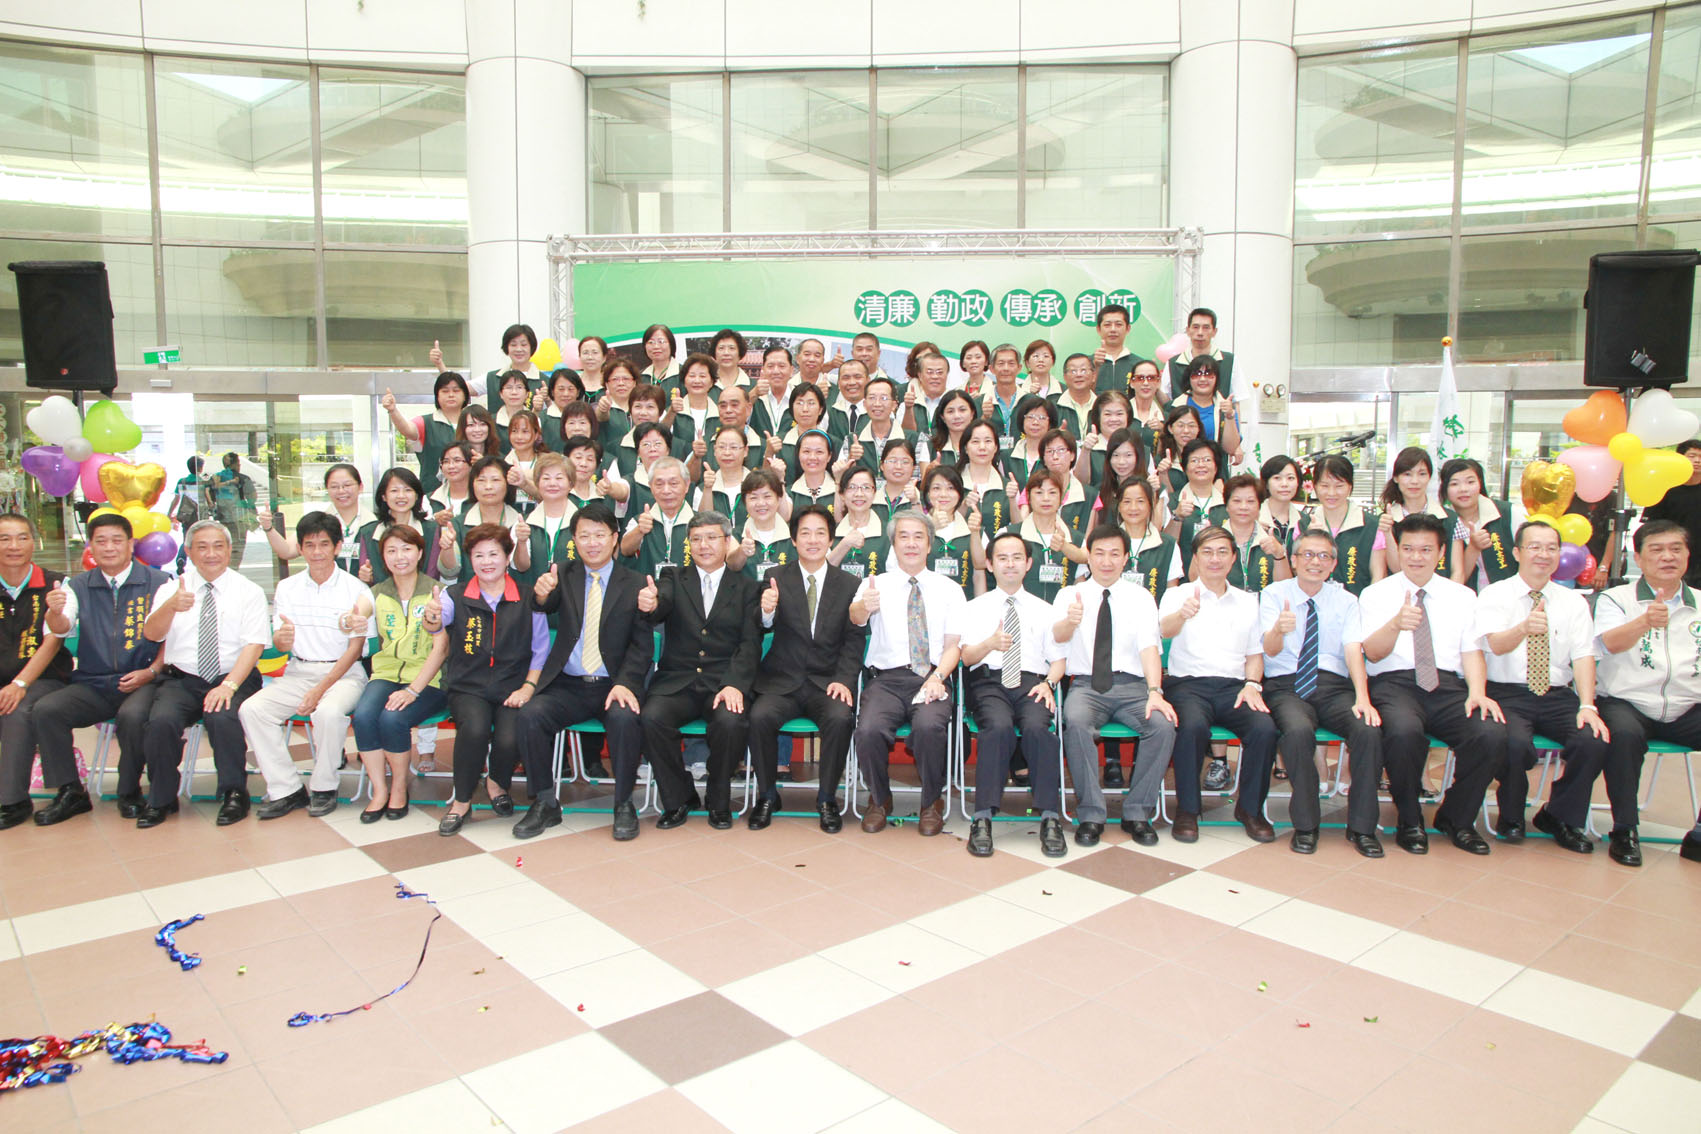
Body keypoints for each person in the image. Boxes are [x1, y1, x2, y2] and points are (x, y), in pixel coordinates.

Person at [1347, 513, 1507, 855]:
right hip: (1395, 684)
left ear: (1441, 552)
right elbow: (1371, 654)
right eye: (1408, 549)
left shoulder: (1462, 596)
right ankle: (1409, 818)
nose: (1416, 557)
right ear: (1398, 550)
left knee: (1490, 733)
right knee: (1404, 733)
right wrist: (1395, 624)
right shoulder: (1375, 595)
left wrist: (1478, 693)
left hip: (1447, 686)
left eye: (1425, 549)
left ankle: (1457, 818)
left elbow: (1471, 651)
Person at [1473, 520, 1612, 853]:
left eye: (1552, 548)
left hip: (1556, 694)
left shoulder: (1573, 602)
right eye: (1535, 547)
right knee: (1513, 742)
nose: (1544, 554)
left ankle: (1559, 815)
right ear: (1518, 552)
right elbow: (1493, 646)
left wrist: (1588, 705)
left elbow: (1583, 656)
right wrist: (1522, 628)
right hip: (1506, 691)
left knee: (1593, 739)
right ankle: (1511, 814)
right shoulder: (1496, 594)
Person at [515, 503, 652, 840]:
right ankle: (546, 801)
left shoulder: (634, 582)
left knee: (624, 718)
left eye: (600, 535)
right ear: (574, 540)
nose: (592, 543)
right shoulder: (564, 573)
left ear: (615, 538)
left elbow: (642, 646)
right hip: (568, 684)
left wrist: (626, 684)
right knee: (531, 715)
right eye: (584, 536)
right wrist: (540, 593)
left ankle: (623, 803)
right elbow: (543, 604)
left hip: (613, 683)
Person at [33, 513, 169, 823]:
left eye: (117, 540)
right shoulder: (76, 585)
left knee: (132, 716)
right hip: (93, 683)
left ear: (131, 544)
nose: (109, 548)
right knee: (47, 710)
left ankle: (130, 790)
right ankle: (71, 792)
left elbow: (171, 637)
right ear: (90, 546)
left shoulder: (159, 582)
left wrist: (152, 671)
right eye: (101, 541)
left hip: (143, 679)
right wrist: (54, 612)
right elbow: (60, 627)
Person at [1259, 530, 1386, 857]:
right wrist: (1278, 630)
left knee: (1368, 729)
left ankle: (1362, 827)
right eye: (1308, 555)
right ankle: (1306, 824)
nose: (1315, 562)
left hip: (1332, 685)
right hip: (1287, 685)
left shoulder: (1346, 600)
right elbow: (1269, 652)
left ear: (1333, 564)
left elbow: (1352, 649)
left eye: (1324, 556)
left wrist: (1363, 697)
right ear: (1296, 559)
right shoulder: (1274, 594)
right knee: (1298, 732)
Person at [241, 513, 373, 821]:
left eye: (324, 544)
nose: (316, 552)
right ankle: (286, 788)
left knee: (327, 712)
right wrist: (282, 639)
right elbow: (282, 642)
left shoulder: (357, 590)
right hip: (298, 672)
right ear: (299, 548)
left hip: (344, 676)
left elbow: (355, 651)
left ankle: (324, 786)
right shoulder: (287, 588)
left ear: (338, 547)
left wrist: (320, 689)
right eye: (309, 545)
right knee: (253, 710)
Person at [636, 511, 762, 831]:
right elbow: (661, 603)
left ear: (726, 542)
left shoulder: (747, 587)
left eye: (711, 538)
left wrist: (735, 684)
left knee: (731, 721)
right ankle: (679, 796)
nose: (704, 545)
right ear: (688, 544)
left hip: (722, 682)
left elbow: (750, 644)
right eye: (696, 539)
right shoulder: (673, 578)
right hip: (678, 680)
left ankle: (718, 799)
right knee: (651, 718)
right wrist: (651, 604)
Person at [1051, 524, 1177, 846]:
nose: (1106, 561)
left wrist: (1155, 692)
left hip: (1134, 686)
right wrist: (1071, 621)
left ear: (1125, 559)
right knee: (1075, 722)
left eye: (1114, 554)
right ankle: (1091, 814)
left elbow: (1150, 647)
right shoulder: (1068, 595)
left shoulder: (1141, 597)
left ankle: (1137, 812)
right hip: (1086, 686)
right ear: (1088, 557)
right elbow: (1056, 640)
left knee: (1162, 726)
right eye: (1099, 554)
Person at [137, 520, 267, 828]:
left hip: (233, 675)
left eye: (218, 546)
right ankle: (162, 796)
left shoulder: (248, 591)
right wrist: (170, 607)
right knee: (160, 721)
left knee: (222, 717)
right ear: (189, 552)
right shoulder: (172, 588)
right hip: (183, 678)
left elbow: (254, 645)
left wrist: (229, 685)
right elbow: (152, 635)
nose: (211, 554)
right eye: (202, 547)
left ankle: (234, 793)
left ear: (229, 550)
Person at [422, 523, 547, 835]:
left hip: (513, 686)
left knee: (509, 736)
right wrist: (431, 616)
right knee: (475, 729)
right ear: (470, 560)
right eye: (479, 555)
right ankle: (461, 801)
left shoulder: (528, 597)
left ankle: (496, 783)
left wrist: (528, 687)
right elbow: (435, 625)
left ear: (507, 558)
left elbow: (541, 649)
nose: (487, 561)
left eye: (494, 553)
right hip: (469, 686)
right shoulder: (455, 595)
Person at [749, 506, 868, 832]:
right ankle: (767, 795)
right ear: (793, 539)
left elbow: (855, 640)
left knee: (840, 717)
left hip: (826, 681)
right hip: (782, 680)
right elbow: (760, 625)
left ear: (831, 539)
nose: (813, 540)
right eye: (805, 533)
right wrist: (767, 611)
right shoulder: (775, 576)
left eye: (820, 533)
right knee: (759, 717)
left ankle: (827, 798)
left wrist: (844, 680)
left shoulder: (848, 584)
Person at [848, 511, 966, 835]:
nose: (911, 543)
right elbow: (855, 619)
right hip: (886, 680)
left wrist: (938, 677)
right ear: (893, 544)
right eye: (903, 536)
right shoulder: (874, 585)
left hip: (932, 675)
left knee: (930, 727)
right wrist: (863, 606)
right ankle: (879, 798)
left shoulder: (949, 589)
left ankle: (931, 802)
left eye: (918, 537)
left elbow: (954, 645)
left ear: (930, 544)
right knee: (869, 730)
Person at [1159, 526, 1279, 843]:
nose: (1215, 559)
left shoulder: (1248, 601)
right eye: (1207, 552)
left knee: (1264, 729)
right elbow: (1162, 633)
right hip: (1187, 685)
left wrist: (1253, 683)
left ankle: (1250, 809)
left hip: (1235, 687)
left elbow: (1255, 653)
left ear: (1234, 558)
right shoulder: (1176, 595)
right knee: (1192, 727)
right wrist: (1182, 615)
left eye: (1222, 552)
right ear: (1195, 558)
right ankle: (1187, 809)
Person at [953, 531, 1068, 857]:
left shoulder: (1045, 609)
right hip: (989, 683)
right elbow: (966, 658)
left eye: (1017, 557)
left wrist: (1049, 683)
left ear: (1028, 563)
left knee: (1037, 729)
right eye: (1002, 558)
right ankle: (983, 817)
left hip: (1032, 683)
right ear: (989, 564)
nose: (1010, 564)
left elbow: (1058, 660)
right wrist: (990, 643)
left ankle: (1049, 817)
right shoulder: (975, 607)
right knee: (998, 728)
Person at [1595, 520, 1700, 867]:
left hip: (1687, 704)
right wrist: (1643, 622)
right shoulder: (1616, 598)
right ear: (1638, 557)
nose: (1667, 557)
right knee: (1622, 736)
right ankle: (1624, 829)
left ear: (1688, 555)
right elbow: (1607, 645)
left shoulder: (1699, 602)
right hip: (1628, 701)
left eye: (1676, 549)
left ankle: (1699, 832)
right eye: (1657, 550)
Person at [350, 525, 449, 821]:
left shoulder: (438, 592)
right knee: (364, 716)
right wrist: (350, 620)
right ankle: (379, 790)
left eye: (407, 549)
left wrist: (412, 690)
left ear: (420, 553)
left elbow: (441, 649)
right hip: (386, 674)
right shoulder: (377, 593)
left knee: (393, 718)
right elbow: (356, 613)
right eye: (391, 551)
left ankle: (399, 789)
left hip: (429, 680)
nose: (399, 557)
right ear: (383, 558)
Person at [0, 514, 73, 828]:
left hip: (44, 679)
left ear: (34, 541)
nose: (13, 546)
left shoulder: (55, 583)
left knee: (17, 709)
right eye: (4, 539)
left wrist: (19, 682)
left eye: (21, 537)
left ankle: (13, 800)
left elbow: (53, 641)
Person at [1298, 455, 1382, 594]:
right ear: (1315, 487)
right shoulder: (1304, 524)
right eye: (1325, 486)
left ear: (1350, 486)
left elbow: (1378, 575)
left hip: (1358, 608)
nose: (1332, 493)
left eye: (1339, 486)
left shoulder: (1372, 525)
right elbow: (1297, 573)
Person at [1377, 446, 1461, 578]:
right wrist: (1387, 533)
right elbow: (1396, 569)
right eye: (1407, 474)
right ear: (1396, 478)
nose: (1414, 481)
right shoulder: (1385, 520)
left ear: (1429, 477)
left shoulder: (1451, 519)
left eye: (1422, 474)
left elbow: (1458, 571)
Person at [387, 372, 473, 498]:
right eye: (444, 391)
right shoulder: (425, 422)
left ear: (465, 395)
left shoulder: (476, 423)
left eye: (456, 390)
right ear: (437, 396)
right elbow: (407, 429)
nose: (451, 395)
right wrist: (393, 410)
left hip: (472, 495)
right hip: (433, 496)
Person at [1441, 458, 1521, 590]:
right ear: (1444, 489)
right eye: (1454, 484)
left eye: (1470, 482)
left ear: (1480, 484)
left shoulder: (1509, 513)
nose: (1463, 489)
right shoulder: (1443, 522)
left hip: (1508, 601)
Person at [619, 456, 694, 574]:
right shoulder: (640, 520)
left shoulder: (698, 522)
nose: (666, 490)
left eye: (673, 483)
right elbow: (625, 550)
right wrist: (639, 530)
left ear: (686, 485)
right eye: (659, 484)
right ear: (651, 487)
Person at [1643, 440, 1701, 589]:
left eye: (1700, 457)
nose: (1697, 461)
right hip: (1671, 557)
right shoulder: (1664, 487)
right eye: (1692, 455)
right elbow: (1651, 527)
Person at [1168, 306, 1234, 402]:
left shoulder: (1229, 361)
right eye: (1195, 327)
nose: (1200, 332)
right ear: (1187, 330)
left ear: (1214, 332)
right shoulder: (1173, 363)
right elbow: (1166, 401)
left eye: (1206, 328)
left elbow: (1236, 401)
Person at [208, 451, 259, 567]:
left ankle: (224, 568)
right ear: (235, 464)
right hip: (239, 517)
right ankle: (232, 570)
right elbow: (253, 497)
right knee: (237, 547)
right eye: (239, 463)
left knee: (224, 545)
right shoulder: (241, 478)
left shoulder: (216, 478)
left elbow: (211, 497)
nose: (239, 466)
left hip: (222, 517)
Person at [1092, 303, 1136, 393]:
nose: (1113, 329)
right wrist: (1095, 367)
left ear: (1128, 328)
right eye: (1107, 325)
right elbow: (1082, 395)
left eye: (1118, 324)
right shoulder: (1088, 363)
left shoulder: (1138, 364)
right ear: (1098, 329)